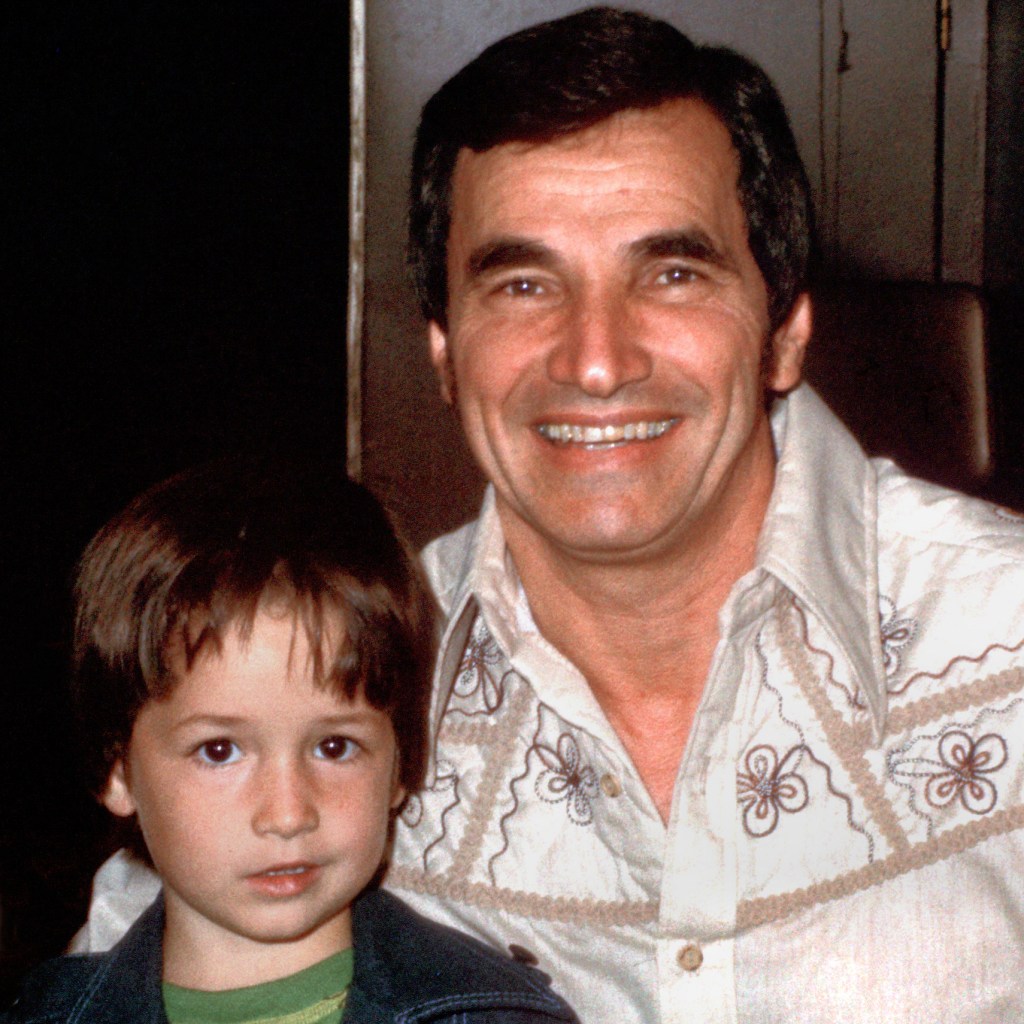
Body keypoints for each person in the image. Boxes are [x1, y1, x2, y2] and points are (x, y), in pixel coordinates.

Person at [76, 7, 1024, 1022]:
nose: (596, 360)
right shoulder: (347, 668)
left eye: (671, 273)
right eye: (523, 283)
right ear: (444, 353)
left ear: (784, 332)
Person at [3, 459, 578, 1023]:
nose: (287, 814)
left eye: (334, 747)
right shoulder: (49, 1012)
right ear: (117, 769)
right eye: (219, 750)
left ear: (402, 759)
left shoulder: (496, 1013)